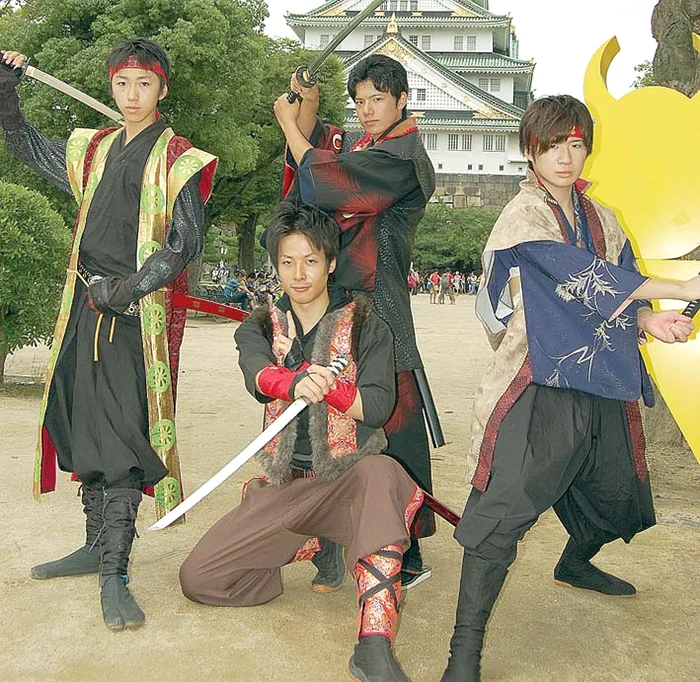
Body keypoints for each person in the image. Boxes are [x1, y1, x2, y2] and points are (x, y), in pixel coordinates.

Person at [441, 94, 700, 681]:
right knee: (502, 512)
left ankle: (574, 562)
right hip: (536, 381)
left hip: (599, 379)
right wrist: (682, 286)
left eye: (576, 143)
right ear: (530, 151)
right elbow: (581, 280)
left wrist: (650, 320)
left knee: (616, 491)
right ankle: (463, 653)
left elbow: (618, 290)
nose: (565, 156)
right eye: (551, 144)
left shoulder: (603, 217)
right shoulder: (522, 216)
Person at [0, 39, 217, 631]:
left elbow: (185, 242)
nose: (131, 94)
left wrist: (129, 288)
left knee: (120, 439)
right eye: (122, 83)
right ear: (111, 86)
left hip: (130, 316)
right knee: (81, 422)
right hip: (82, 306)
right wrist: (7, 92)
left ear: (162, 88)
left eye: (143, 83)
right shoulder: (93, 149)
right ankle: (95, 545)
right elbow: (27, 147)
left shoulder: (179, 158)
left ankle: (116, 573)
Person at [180, 201, 423, 682]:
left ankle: (373, 645)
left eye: (310, 260)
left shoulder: (366, 323)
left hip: (348, 482)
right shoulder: (260, 324)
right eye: (287, 261)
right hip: (286, 489)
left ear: (330, 263)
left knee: (381, 471)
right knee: (200, 578)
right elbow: (256, 374)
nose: (298, 274)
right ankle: (310, 542)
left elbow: (378, 407)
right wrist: (291, 379)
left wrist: (333, 389)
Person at [273, 53, 439, 589]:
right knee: (324, 419)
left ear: (402, 101)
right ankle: (328, 539)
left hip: (381, 307)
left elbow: (332, 181)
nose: (367, 110)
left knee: (391, 426)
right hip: (338, 303)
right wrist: (307, 107)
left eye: (378, 100)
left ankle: (405, 548)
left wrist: (289, 127)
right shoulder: (364, 145)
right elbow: (320, 155)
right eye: (360, 100)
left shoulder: (404, 157)